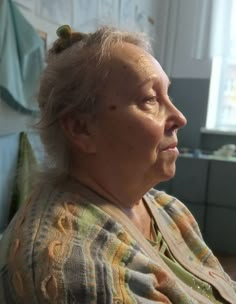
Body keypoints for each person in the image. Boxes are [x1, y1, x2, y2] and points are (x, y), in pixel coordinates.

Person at [0, 25, 235, 304]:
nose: (180, 117)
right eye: (150, 99)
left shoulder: (168, 210)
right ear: (81, 129)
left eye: (168, 95)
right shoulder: (72, 265)